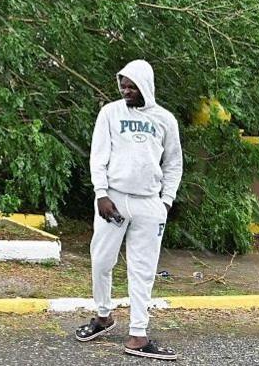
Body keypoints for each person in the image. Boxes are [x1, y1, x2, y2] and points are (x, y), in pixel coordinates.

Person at [74, 59, 183, 361]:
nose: (126, 90)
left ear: (145, 85)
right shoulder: (110, 112)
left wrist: (165, 202)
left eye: (132, 86)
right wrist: (101, 193)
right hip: (114, 199)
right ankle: (103, 316)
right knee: (101, 261)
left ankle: (138, 335)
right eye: (123, 85)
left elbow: (173, 163)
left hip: (150, 204)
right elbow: (98, 156)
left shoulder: (165, 119)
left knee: (143, 270)